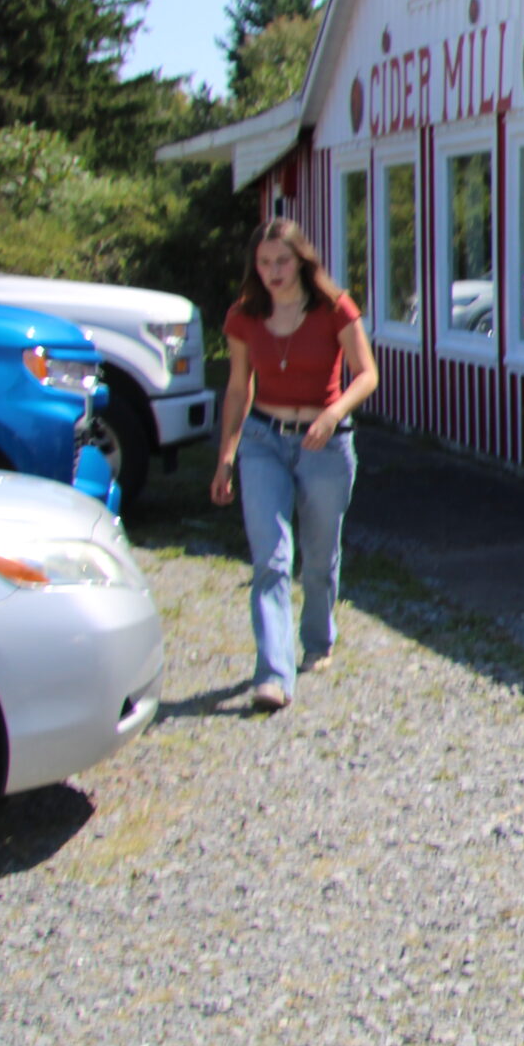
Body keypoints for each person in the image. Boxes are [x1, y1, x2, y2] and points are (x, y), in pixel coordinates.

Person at [210, 219, 382, 714]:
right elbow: (238, 388)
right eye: (264, 263)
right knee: (271, 558)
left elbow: (366, 374)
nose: (273, 271)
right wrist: (226, 455)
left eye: (282, 261)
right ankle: (273, 675)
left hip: (324, 444)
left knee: (319, 555)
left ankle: (318, 638)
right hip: (263, 441)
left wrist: (333, 414)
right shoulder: (244, 316)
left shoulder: (334, 308)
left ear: (302, 261)